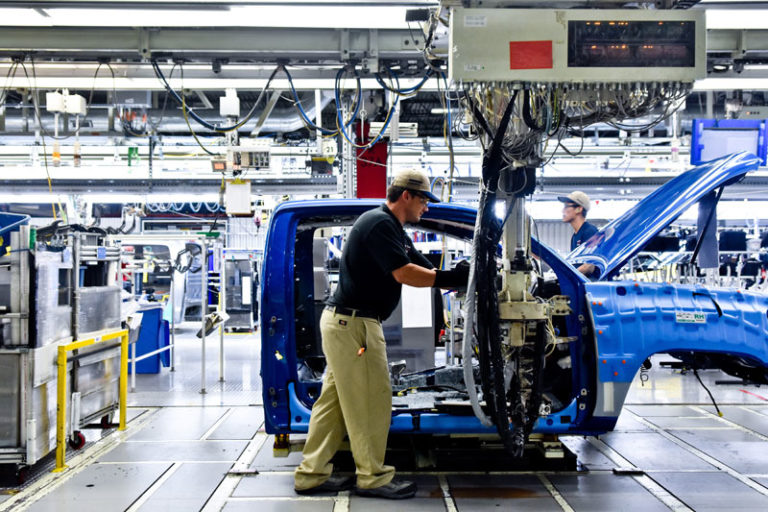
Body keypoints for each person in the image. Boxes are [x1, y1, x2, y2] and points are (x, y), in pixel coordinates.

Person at [294, 169, 469, 500]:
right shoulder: (379, 224)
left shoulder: (392, 229)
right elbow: (405, 273)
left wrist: (455, 276)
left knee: (333, 404)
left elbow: (419, 264)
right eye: (424, 200)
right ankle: (372, 476)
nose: (427, 207)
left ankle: (311, 474)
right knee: (371, 400)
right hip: (354, 325)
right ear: (406, 196)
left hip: (345, 324)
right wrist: (448, 279)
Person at [559, 190, 599, 276]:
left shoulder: (590, 232)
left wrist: (567, 276)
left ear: (579, 209)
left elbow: (589, 266)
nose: (562, 211)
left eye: (566, 207)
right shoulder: (575, 236)